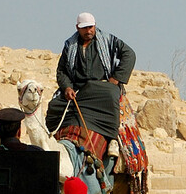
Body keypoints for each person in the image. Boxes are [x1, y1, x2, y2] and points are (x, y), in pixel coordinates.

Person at [46, 12, 136, 148]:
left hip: (101, 88)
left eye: (90, 27)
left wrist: (116, 78)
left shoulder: (108, 40)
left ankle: (112, 140)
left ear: (95, 26)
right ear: (77, 28)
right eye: (84, 28)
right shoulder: (70, 45)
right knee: (54, 105)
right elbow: (62, 71)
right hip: (78, 90)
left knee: (111, 96)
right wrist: (67, 87)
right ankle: (51, 139)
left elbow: (129, 54)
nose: (88, 31)